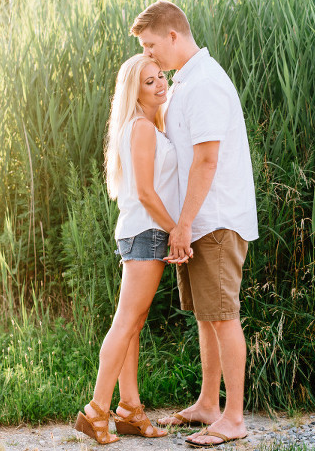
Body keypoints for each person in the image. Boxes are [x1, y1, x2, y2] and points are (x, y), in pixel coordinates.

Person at [130, 0, 258, 447]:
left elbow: (206, 160)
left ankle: (235, 418)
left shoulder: (205, 83)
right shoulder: (185, 82)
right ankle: (208, 404)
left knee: (223, 317)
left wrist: (181, 225)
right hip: (199, 220)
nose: (149, 55)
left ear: (172, 35)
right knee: (206, 317)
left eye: (150, 45)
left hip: (216, 219)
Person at [74, 54, 188, 444]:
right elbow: (144, 192)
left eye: (160, 78)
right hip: (148, 232)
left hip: (141, 232)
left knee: (133, 324)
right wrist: (176, 230)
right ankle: (96, 410)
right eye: (149, 82)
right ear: (133, 91)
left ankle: (129, 410)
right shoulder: (140, 128)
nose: (159, 85)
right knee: (125, 323)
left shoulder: (141, 125)